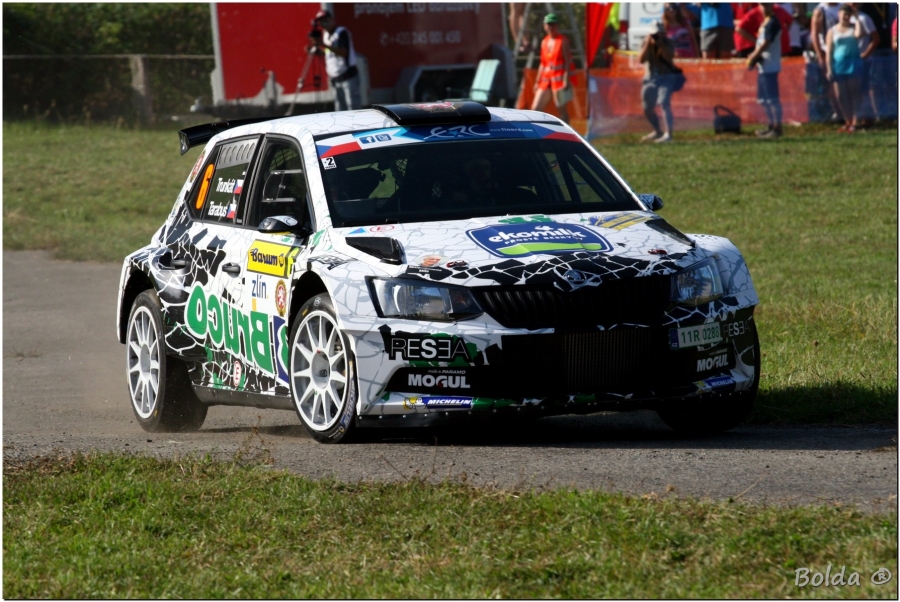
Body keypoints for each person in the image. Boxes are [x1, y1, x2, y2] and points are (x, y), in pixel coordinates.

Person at [309, 10, 361, 111]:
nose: (324, 23)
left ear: (332, 19)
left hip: (347, 75)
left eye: (326, 20)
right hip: (335, 79)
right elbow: (329, 53)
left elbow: (343, 52)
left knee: (353, 108)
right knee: (340, 109)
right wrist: (319, 52)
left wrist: (323, 44)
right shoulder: (325, 35)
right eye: (321, 22)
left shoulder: (341, 32)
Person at [826, 4, 865, 132]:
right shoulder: (832, 31)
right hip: (838, 66)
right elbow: (829, 51)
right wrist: (829, 68)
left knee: (854, 94)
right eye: (844, 14)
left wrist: (857, 18)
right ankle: (847, 121)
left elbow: (859, 34)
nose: (846, 17)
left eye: (848, 15)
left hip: (853, 65)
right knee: (841, 95)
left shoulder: (853, 28)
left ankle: (855, 122)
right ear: (839, 14)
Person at [746, 3, 784, 138]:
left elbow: (766, 43)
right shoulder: (766, 22)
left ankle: (777, 128)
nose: (764, 8)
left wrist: (754, 56)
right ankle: (771, 125)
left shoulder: (773, 22)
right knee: (763, 100)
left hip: (770, 66)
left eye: (767, 5)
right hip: (763, 66)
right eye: (762, 5)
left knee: (772, 99)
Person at [639, 21, 679, 143]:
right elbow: (641, 60)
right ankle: (657, 131)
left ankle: (668, 135)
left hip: (666, 77)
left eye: (660, 33)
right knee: (647, 107)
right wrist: (648, 43)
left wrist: (661, 45)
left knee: (664, 103)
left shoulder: (668, 42)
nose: (658, 36)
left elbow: (669, 57)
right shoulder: (645, 42)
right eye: (655, 34)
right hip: (650, 78)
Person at [531, 13, 574, 124]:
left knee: (561, 110)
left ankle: (567, 132)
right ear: (544, 26)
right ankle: (538, 131)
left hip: (558, 81)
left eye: (553, 24)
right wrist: (537, 81)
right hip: (546, 81)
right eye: (548, 24)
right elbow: (542, 63)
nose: (551, 27)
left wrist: (566, 79)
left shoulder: (563, 41)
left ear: (557, 25)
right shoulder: (544, 42)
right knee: (535, 108)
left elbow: (567, 61)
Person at [848, 3, 879, 126]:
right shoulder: (845, 19)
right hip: (849, 61)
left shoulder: (864, 18)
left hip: (863, 61)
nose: (852, 4)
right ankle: (857, 118)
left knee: (863, 90)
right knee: (853, 90)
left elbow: (876, 38)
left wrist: (866, 54)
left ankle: (868, 117)